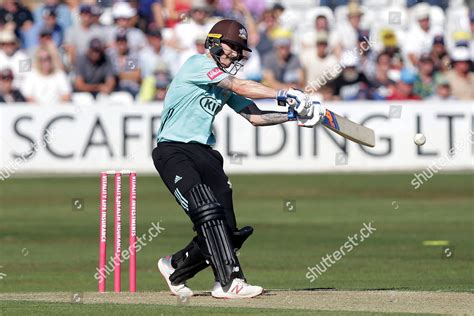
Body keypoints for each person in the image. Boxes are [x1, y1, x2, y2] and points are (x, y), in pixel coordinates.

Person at [154, 19, 325, 299]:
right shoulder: (197, 64)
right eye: (232, 46)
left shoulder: (222, 82)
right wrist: (285, 93)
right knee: (206, 210)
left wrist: (294, 115)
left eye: (239, 49)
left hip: (206, 154)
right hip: (174, 150)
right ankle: (229, 282)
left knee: (228, 231)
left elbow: (254, 116)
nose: (235, 53)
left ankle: (174, 266)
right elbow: (240, 85)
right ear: (214, 42)